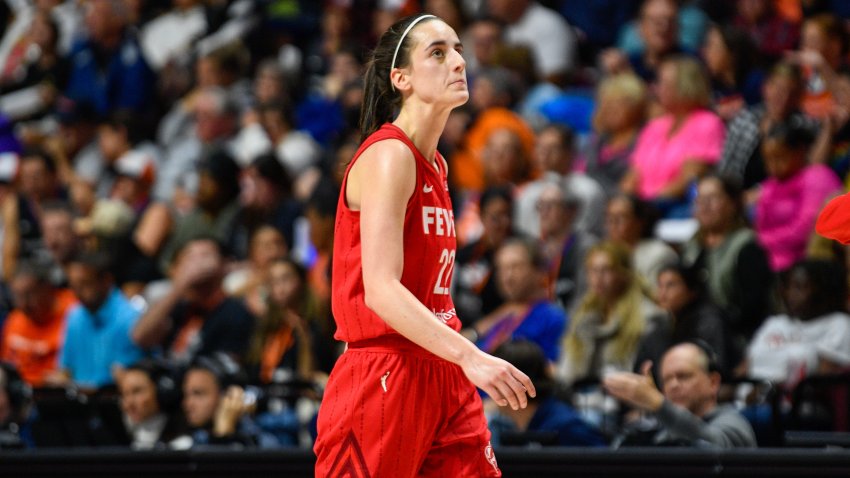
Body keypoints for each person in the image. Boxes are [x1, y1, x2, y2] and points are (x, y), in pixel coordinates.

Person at [313, 15, 534, 477]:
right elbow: (380, 288)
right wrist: (471, 355)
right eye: (438, 53)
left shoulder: (438, 165)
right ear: (402, 78)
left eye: (457, 49)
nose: (458, 61)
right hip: (384, 373)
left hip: (441, 368)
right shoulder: (390, 155)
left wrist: (458, 356)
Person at [604, 342, 757, 448]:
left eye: (683, 376)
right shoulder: (662, 433)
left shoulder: (735, 424)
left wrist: (658, 404)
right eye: (666, 380)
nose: (673, 385)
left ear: (713, 382)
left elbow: (711, 448)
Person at [488, 340, 607, 447]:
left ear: (512, 385)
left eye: (495, 380)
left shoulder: (566, 427)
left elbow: (606, 467)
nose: (489, 388)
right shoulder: (504, 425)